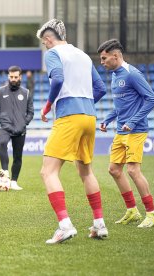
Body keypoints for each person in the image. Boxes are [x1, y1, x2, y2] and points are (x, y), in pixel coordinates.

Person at [36, 19, 108, 244]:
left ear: (48, 38)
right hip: (89, 116)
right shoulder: (83, 55)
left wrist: (48, 106)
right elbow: (101, 89)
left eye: (44, 42)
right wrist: (84, 105)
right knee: (86, 171)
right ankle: (99, 224)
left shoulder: (53, 53)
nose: (45, 46)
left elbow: (57, 79)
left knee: (48, 172)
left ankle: (65, 225)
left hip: (69, 116)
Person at [97, 39, 154, 228]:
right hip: (121, 130)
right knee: (114, 170)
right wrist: (108, 119)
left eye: (104, 58)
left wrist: (132, 121)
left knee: (132, 170)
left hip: (136, 130)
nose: (102, 62)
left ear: (115, 56)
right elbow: (121, 106)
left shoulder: (133, 74)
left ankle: (152, 213)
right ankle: (132, 210)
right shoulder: (115, 75)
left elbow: (151, 99)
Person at [0, 65, 34, 191]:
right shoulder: (0, 91)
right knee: (3, 143)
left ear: (20, 77)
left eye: (16, 77)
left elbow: (30, 112)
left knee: (18, 156)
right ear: (8, 77)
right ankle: (5, 172)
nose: (13, 79)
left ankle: (14, 181)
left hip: (20, 130)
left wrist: (23, 123)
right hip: (5, 128)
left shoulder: (26, 93)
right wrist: (3, 123)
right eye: (11, 77)